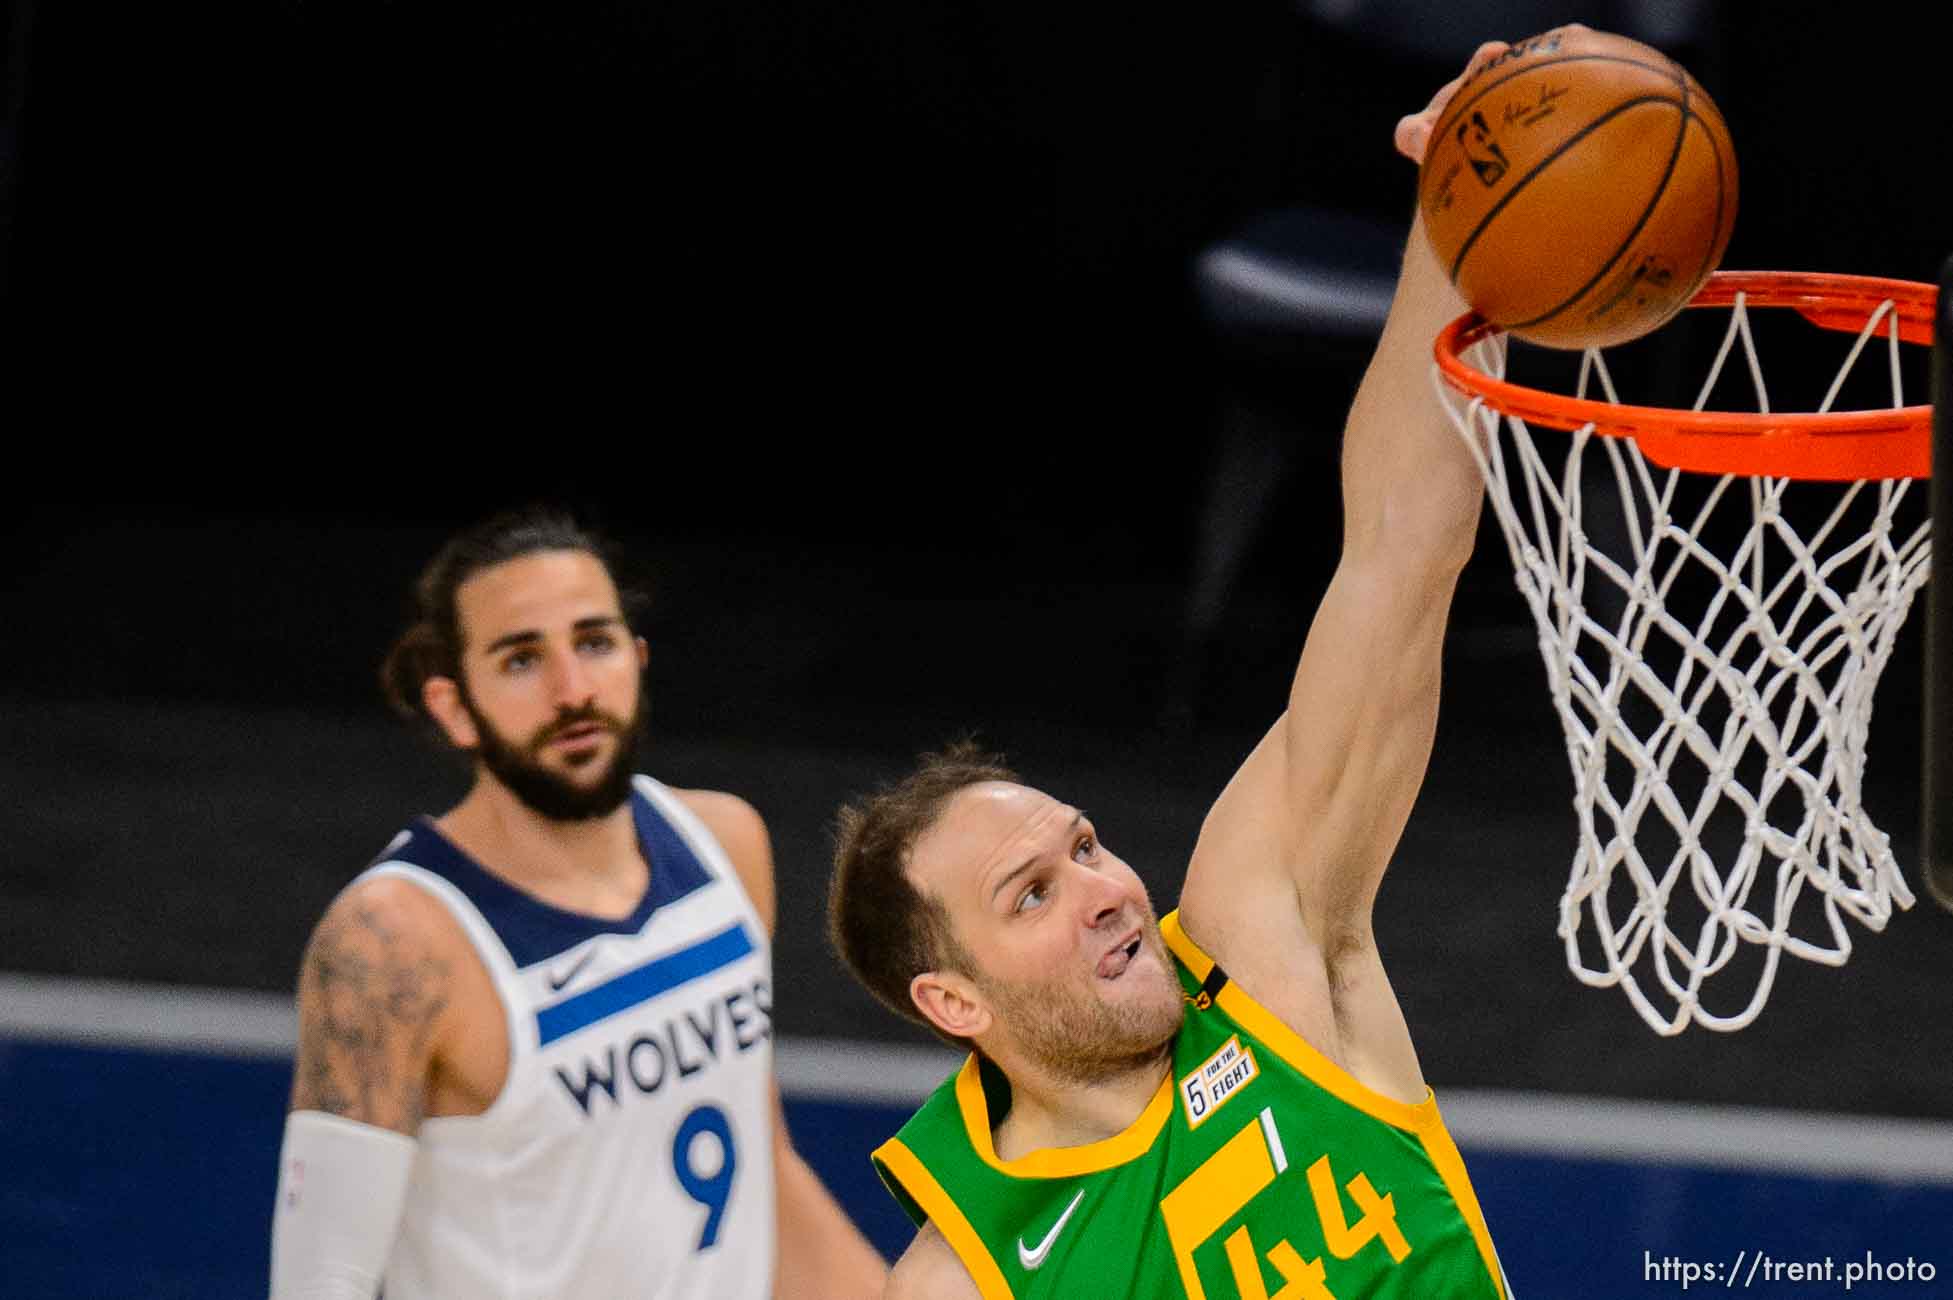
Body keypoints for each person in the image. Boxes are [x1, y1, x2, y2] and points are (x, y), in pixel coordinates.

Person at [826, 41, 1520, 1300]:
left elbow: (1399, 558)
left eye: (1083, 847)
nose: (1100, 889)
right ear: (952, 998)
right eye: (1028, 896)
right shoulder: (962, 1280)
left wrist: (1460, 220)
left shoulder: (1264, 941)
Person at [269, 508, 887, 1299]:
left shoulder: (723, 844)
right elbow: (324, 1282)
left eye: (593, 643)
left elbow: (764, 1168)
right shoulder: (395, 942)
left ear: (636, 658)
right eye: (521, 659)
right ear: (454, 706)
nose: (572, 690)